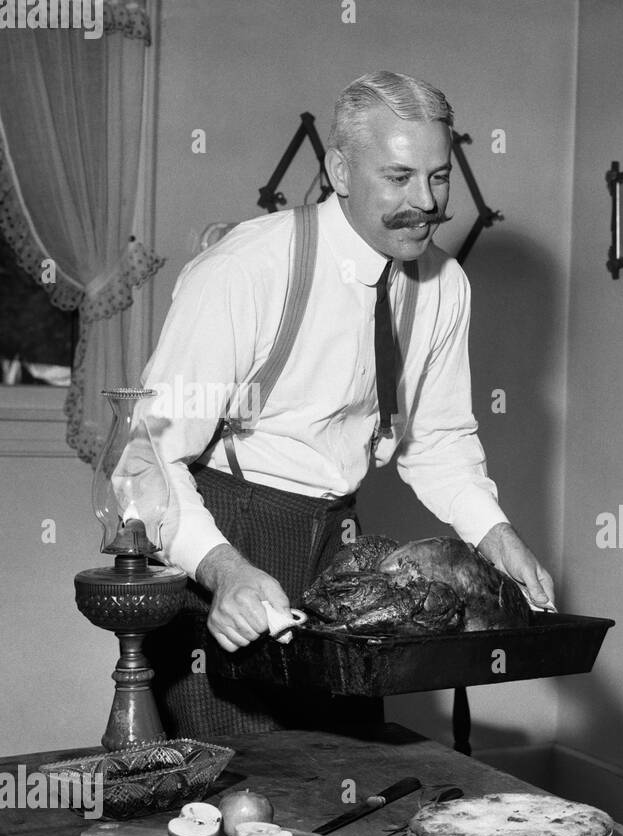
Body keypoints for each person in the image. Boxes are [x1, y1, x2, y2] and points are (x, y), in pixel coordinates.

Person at [139, 71, 553, 737]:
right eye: (398, 178)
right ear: (339, 170)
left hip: (346, 555)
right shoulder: (248, 270)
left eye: (439, 176)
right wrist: (223, 571)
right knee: (236, 785)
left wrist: (495, 535)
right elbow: (148, 456)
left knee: (347, 779)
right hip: (223, 532)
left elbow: (438, 443)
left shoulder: (443, 283)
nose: (425, 202)